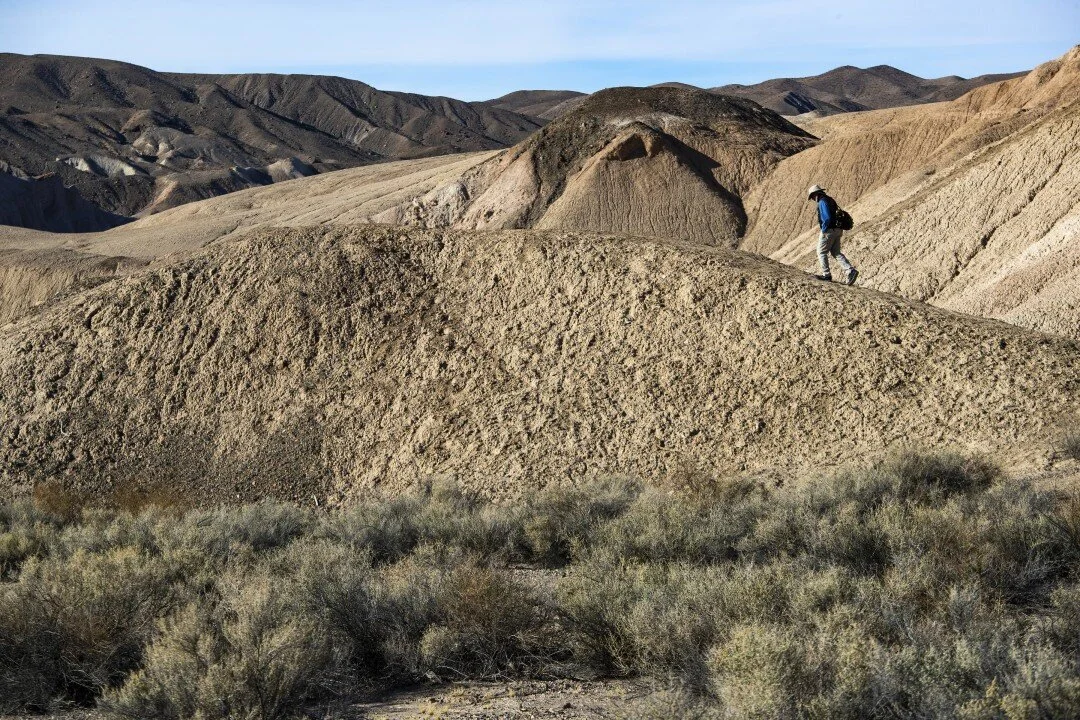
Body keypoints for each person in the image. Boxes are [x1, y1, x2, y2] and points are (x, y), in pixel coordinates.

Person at [807, 184, 857, 285]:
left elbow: (827, 218)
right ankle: (850, 270)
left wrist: (824, 230)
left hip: (829, 230)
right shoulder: (830, 199)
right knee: (836, 252)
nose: (812, 199)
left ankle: (826, 275)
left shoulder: (822, 202)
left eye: (812, 197)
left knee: (821, 252)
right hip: (838, 229)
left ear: (815, 194)